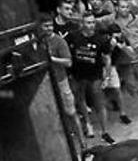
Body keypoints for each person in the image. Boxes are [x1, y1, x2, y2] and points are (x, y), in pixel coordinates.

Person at [68, 12, 115, 144]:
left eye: (93, 22)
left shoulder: (101, 39)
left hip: (95, 75)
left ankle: (105, 132)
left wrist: (107, 77)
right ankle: (88, 124)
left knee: (99, 102)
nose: (91, 25)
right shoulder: (73, 36)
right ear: (82, 24)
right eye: (88, 23)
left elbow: (107, 58)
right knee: (80, 99)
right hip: (77, 75)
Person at [39, 12, 84, 144]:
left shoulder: (59, 41)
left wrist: (52, 59)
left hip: (61, 81)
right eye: (45, 26)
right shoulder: (38, 41)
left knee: (71, 112)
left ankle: (82, 143)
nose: (48, 28)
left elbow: (68, 62)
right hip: (46, 84)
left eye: (50, 25)